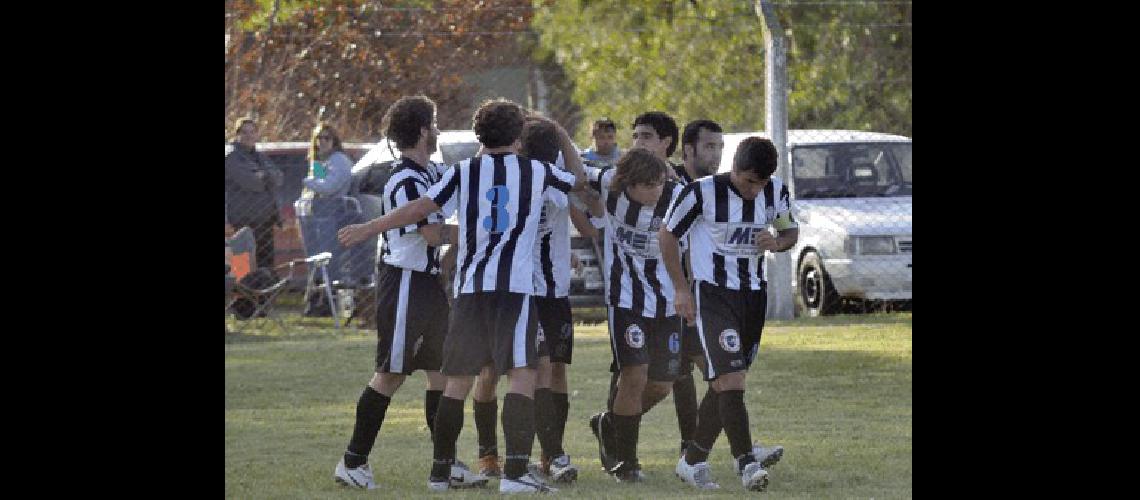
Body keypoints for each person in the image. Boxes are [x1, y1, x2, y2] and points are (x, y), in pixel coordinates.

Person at [339, 98, 585, 494]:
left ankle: (440, 473)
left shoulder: (463, 171)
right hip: (513, 289)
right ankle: (516, 473)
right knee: (522, 374)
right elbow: (580, 181)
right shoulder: (537, 171)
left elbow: (422, 207)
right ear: (518, 136)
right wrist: (561, 137)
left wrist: (371, 227)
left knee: (456, 381)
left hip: (469, 289)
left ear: (478, 135)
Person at [330, 96, 469, 490]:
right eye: (435, 123)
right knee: (390, 374)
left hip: (428, 283)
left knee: (441, 373)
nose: (439, 130)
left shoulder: (433, 172)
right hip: (405, 282)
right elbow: (430, 233)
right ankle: (353, 462)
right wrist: (481, 233)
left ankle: (447, 462)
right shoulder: (404, 179)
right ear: (424, 130)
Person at [660, 136, 799, 491]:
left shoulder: (776, 192)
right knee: (730, 381)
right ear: (734, 169)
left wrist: (778, 242)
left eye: (761, 183)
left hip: (753, 298)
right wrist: (680, 288)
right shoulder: (700, 193)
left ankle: (692, 462)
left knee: (726, 383)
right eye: (749, 181)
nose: (754, 190)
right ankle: (747, 463)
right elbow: (668, 236)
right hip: (713, 296)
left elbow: (789, 230)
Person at [468, 117, 583, 485]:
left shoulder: (541, 177)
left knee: (546, 369)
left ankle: (550, 452)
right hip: (513, 290)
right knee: (497, 371)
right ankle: (490, 453)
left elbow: (580, 185)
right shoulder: (526, 179)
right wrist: (563, 133)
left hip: (548, 292)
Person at [578, 148, 686, 482]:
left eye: (660, 182)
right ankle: (627, 462)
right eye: (649, 186)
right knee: (633, 374)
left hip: (668, 303)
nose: (657, 190)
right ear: (629, 185)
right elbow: (578, 171)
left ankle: (609, 423)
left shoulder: (679, 197)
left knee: (662, 384)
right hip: (625, 300)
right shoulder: (610, 184)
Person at [669, 119, 725, 458]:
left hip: (707, 292)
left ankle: (702, 444)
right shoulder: (672, 184)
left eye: (720, 146)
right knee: (683, 373)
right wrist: (681, 287)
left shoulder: (718, 188)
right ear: (688, 149)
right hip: (674, 292)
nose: (716, 154)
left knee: (717, 371)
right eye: (709, 146)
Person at [295, 122, 369, 316]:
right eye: (319, 138)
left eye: (327, 138)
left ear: (335, 140)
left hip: (337, 215)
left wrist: (307, 181)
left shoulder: (339, 160)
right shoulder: (320, 161)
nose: (323, 142)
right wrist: (314, 178)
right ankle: (319, 301)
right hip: (319, 215)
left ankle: (334, 300)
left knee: (332, 259)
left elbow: (329, 187)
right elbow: (318, 185)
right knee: (320, 260)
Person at [225, 117, 284, 270]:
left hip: (265, 220)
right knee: (242, 264)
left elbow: (279, 177)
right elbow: (252, 183)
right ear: (236, 134)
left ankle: (266, 293)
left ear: (257, 134)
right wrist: (265, 176)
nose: (249, 136)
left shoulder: (260, 156)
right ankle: (242, 293)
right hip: (243, 222)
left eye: (252, 132)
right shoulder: (231, 156)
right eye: (244, 132)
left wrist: (262, 174)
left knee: (266, 263)